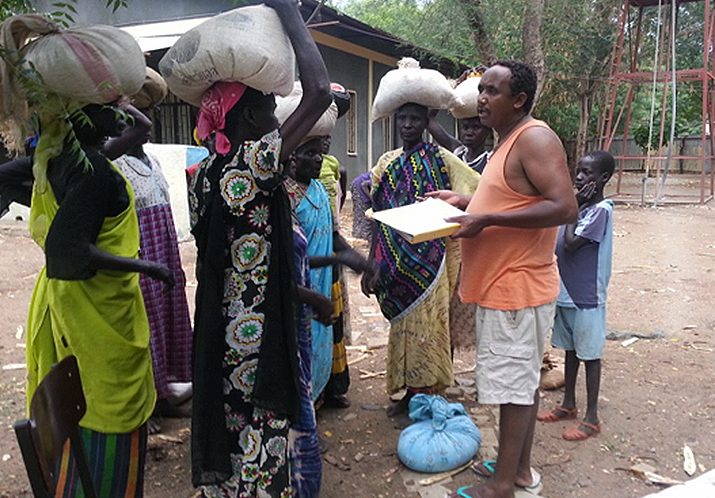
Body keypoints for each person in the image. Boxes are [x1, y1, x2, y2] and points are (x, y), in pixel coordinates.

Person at [186, 0, 332, 495]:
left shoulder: (202, 175)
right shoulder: (251, 165)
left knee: (233, 434)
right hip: (255, 340)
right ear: (248, 116)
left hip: (221, 331)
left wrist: (303, 295)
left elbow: (247, 258)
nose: (276, 118)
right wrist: (288, 12)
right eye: (270, 108)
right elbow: (318, 91)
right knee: (262, 438)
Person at [1, 102, 174, 497]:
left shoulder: (61, 160)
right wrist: (147, 266)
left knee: (80, 400)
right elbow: (67, 252)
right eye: (107, 107)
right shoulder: (93, 171)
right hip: (97, 313)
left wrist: (102, 100)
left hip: (73, 304)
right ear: (80, 118)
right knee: (107, 407)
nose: (119, 115)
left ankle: (78, 476)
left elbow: (140, 126)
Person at [428, 60, 578, 498]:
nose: (482, 99)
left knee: (513, 391)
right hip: (506, 286)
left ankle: (502, 486)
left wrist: (486, 219)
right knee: (520, 386)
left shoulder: (534, 138)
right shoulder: (508, 140)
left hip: (516, 289)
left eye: (493, 91)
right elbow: (515, 198)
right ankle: (519, 471)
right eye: (481, 90)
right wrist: (467, 202)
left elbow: (564, 206)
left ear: (519, 99)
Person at [361, 102, 480, 417]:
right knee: (403, 327)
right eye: (403, 118)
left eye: (415, 119)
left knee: (429, 327)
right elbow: (376, 213)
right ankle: (407, 391)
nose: (408, 124)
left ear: (427, 122)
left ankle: (425, 394)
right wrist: (372, 261)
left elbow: (478, 193)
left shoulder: (443, 159)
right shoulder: (387, 162)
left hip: (433, 261)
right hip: (394, 259)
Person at [112, 93, 193, 429]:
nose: (146, 125)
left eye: (147, 115)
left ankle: (162, 396)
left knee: (166, 322)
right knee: (144, 328)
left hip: (164, 253)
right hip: (141, 255)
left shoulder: (152, 161)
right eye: (136, 117)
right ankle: (143, 407)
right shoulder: (115, 165)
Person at [285, 136, 373, 407]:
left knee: (325, 340)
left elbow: (333, 235)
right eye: (309, 153)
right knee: (302, 345)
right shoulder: (285, 198)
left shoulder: (319, 191)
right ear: (292, 158)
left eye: (319, 154)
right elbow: (289, 259)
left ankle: (323, 392)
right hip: (300, 287)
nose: (318, 159)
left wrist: (358, 259)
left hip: (324, 280)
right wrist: (339, 259)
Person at [537, 151, 615, 441]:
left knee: (590, 355)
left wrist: (574, 205)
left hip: (587, 296)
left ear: (603, 178)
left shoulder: (600, 211)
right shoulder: (579, 208)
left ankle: (592, 418)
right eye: (578, 171)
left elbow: (571, 244)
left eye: (587, 173)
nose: (579, 177)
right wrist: (574, 205)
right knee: (570, 350)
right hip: (566, 293)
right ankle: (568, 404)